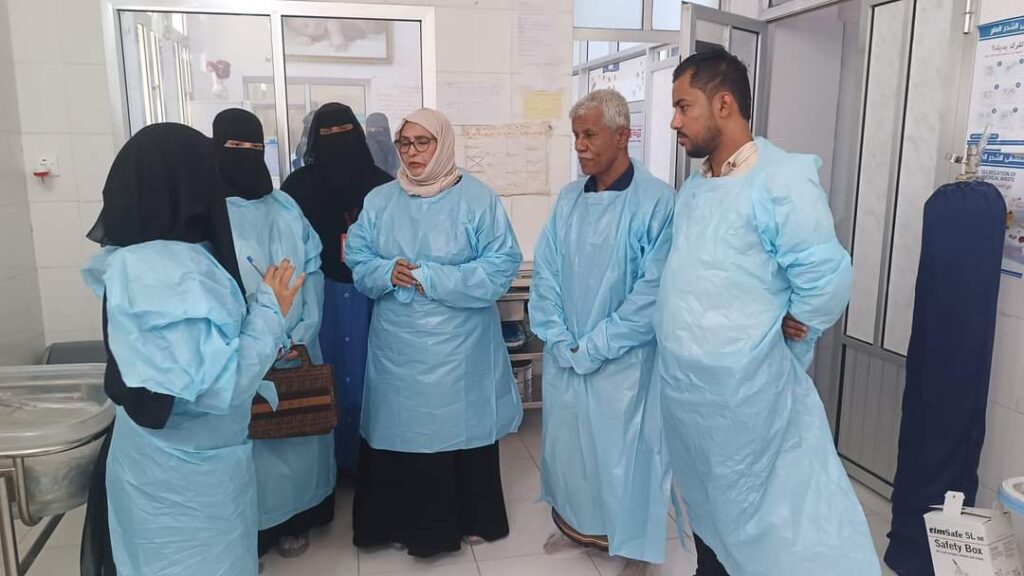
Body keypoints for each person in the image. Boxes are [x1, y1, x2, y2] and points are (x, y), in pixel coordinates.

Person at [655, 48, 878, 575]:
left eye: (684, 107)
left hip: (750, 397)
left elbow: (827, 277)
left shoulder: (779, 181)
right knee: (711, 511)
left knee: (769, 525)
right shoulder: (698, 186)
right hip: (693, 398)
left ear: (724, 104)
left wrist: (796, 329)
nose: (674, 122)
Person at [80, 123, 303, 575]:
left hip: (177, 462)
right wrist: (270, 311)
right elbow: (221, 385)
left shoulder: (149, 258)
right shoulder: (166, 272)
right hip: (181, 479)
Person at [345, 107, 523, 558]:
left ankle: (469, 518)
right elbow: (358, 259)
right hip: (398, 346)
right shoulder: (380, 201)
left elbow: (501, 266)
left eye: (423, 142)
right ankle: (398, 523)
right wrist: (386, 271)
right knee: (399, 429)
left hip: (459, 346)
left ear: (443, 144)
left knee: (458, 428)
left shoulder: (477, 199)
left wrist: (431, 278)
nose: (412, 152)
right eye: (405, 143)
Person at [529, 89, 674, 573]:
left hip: (625, 364)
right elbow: (546, 273)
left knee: (625, 457)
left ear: (622, 135)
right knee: (571, 452)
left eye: (589, 135)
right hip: (567, 355)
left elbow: (652, 293)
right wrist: (557, 336)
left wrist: (597, 345)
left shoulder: (656, 202)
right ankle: (579, 528)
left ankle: (634, 545)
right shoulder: (569, 200)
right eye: (576, 136)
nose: (580, 146)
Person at [213, 108, 335, 560]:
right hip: (243, 346)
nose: (246, 156)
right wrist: (260, 334)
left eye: (254, 147)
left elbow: (314, 265)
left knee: (299, 433)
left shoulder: (285, 206)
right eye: (235, 148)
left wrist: (302, 327)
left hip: (298, 341)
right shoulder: (208, 213)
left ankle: (297, 520)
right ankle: (255, 530)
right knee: (253, 444)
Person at [282, 102, 392, 474]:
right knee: (320, 379)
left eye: (342, 134)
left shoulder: (382, 186)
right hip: (316, 295)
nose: (336, 144)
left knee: (369, 380)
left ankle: (370, 463)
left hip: (372, 295)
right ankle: (328, 466)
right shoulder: (297, 186)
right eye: (327, 136)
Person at [366, 112, 400, 177]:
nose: (374, 133)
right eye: (371, 130)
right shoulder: (361, 150)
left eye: (379, 130)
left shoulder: (396, 151)